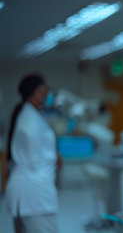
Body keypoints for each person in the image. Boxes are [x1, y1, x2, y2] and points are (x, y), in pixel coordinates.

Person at [5, 73, 60, 233]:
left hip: (30, 191)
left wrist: (54, 154)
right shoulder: (29, 122)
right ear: (37, 92)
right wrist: (53, 157)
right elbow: (35, 161)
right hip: (34, 194)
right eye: (46, 90)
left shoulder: (32, 115)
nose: (48, 94)